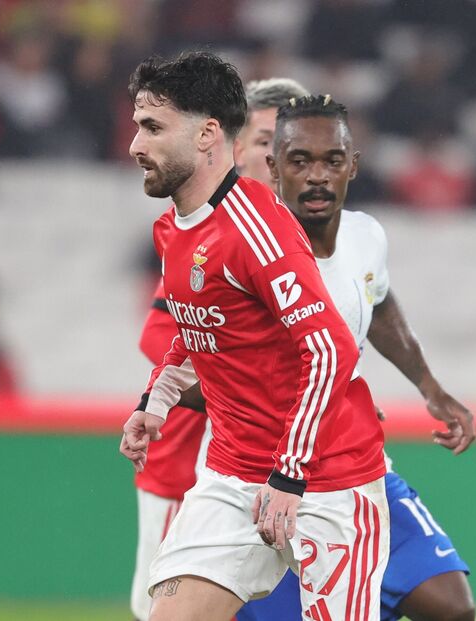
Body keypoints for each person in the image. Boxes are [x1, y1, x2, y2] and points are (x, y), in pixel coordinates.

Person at [120, 52, 388, 621]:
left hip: (325, 479)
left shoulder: (256, 225)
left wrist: (291, 471)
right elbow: (202, 325)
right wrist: (156, 401)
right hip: (232, 475)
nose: (134, 146)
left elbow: (328, 347)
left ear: (208, 134)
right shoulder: (174, 228)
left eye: (152, 127)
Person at [235, 93, 476, 620]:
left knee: (452, 607)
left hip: (361, 469)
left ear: (354, 165)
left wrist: (429, 388)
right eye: (301, 161)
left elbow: (380, 301)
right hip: (275, 482)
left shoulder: (367, 236)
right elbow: (213, 368)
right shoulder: (250, 256)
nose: (317, 176)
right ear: (275, 166)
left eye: (332, 161)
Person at [128, 77, 311, 621]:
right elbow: (166, 334)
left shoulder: (301, 235)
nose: (276, 157)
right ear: (232, 144)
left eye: (290, 145)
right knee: (159, 606)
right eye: (263, 141)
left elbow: (324, 349)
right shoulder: (202, 230)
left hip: (280, 457)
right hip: (189, 457)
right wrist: (216, 390)